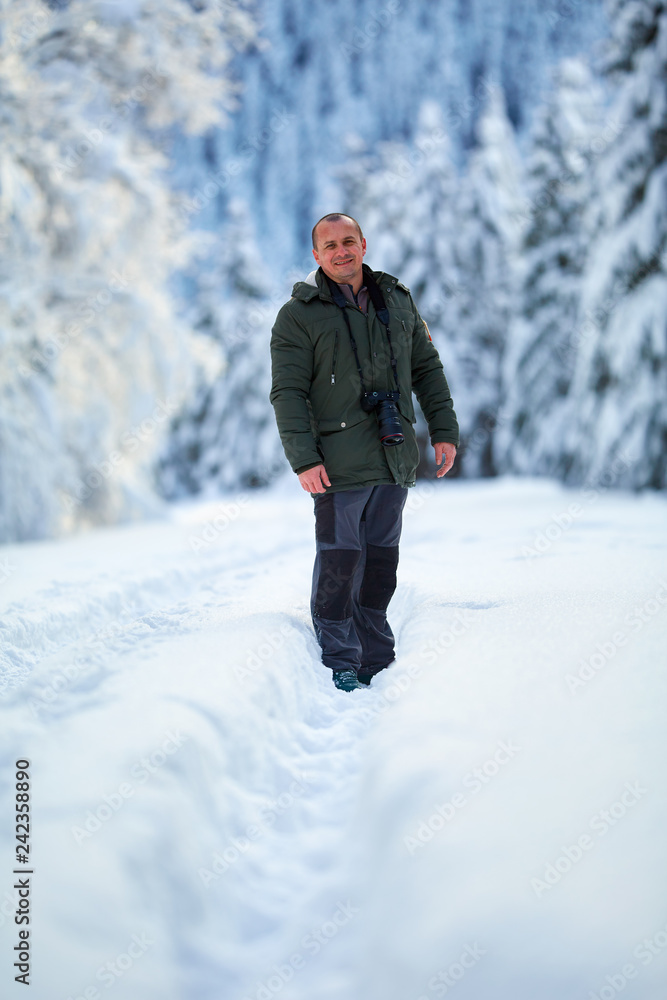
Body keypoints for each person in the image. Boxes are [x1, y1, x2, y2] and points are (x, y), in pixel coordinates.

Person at [270, 213, 459, 691]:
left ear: (364, 244)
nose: (341, 251)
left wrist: (444, 430)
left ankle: (376, 655)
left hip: (394, 456)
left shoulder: (397, 300)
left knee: (380, 563)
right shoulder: (298, 314)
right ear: (316, 255)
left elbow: (427, 369)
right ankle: (341, 660)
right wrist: (304, 458)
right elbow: (288, 392)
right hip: (336, 463)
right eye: (329, 245)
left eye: (348, 241)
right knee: (339, 561)